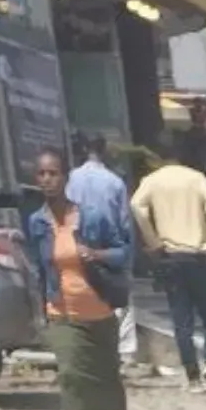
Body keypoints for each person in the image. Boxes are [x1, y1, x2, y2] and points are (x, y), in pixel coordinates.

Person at [25, 148, 132, 410]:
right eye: (42, 174)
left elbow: (122, 252)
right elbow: (41, 269)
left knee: (108, 375)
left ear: (65, 177)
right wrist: (41, 305)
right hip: (62, 312)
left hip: (97, 309)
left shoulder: (92, 217)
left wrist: (96, 255)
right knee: (70, 375)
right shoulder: (37, 223)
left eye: (53, 173)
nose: (47, 180)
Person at [132, 132, 206, 393]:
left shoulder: (151, 181)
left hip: (170, 255)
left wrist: (152, 240)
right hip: (198, 254)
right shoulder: (195, 178)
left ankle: (193, 377)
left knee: (181, 319)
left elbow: (136, 205)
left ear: (158, 156)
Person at [65, 133, 138, 373]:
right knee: (119, 300)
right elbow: (124, 221)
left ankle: (87, 352)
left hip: (77, 242)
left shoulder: (72, 178)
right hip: (107, 245)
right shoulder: (114, 181)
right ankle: (123, 354)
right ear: (103, 151)